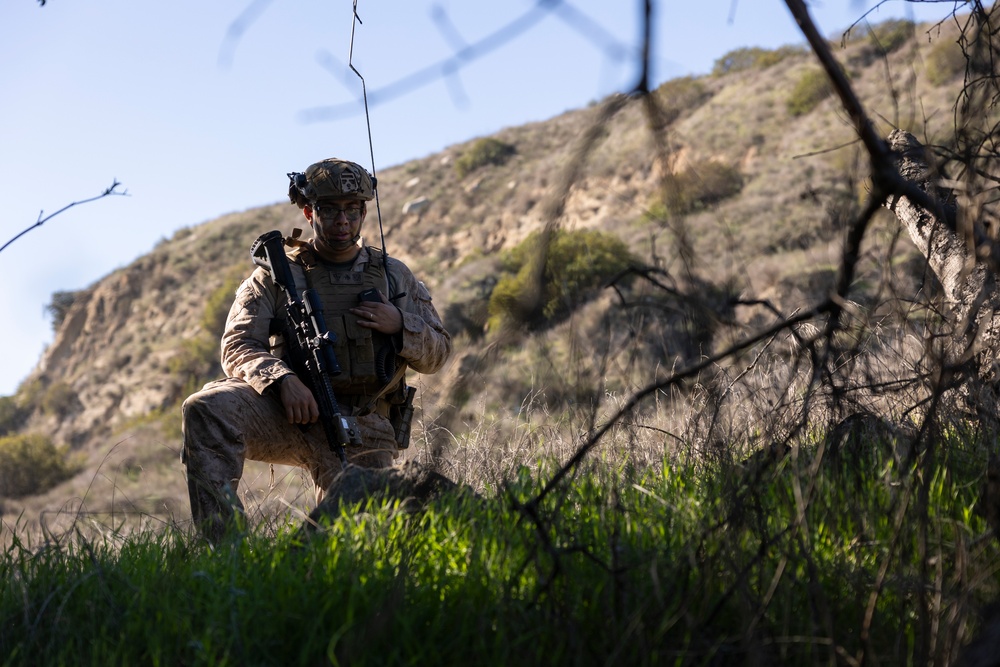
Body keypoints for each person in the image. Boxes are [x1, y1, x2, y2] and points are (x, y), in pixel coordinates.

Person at [181, 158, 452, 541]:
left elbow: (439, 353)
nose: (342, 221)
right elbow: (237, 345)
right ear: (309, 212)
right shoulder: (276, 276)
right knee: (205, 409)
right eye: (329, 210)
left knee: (357, 534)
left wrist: (401, 325)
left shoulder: (394, 276)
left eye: (352, 210)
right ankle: (226, 554)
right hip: (294, 412)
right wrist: (281, 379)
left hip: (364, 423)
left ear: (363, 212)